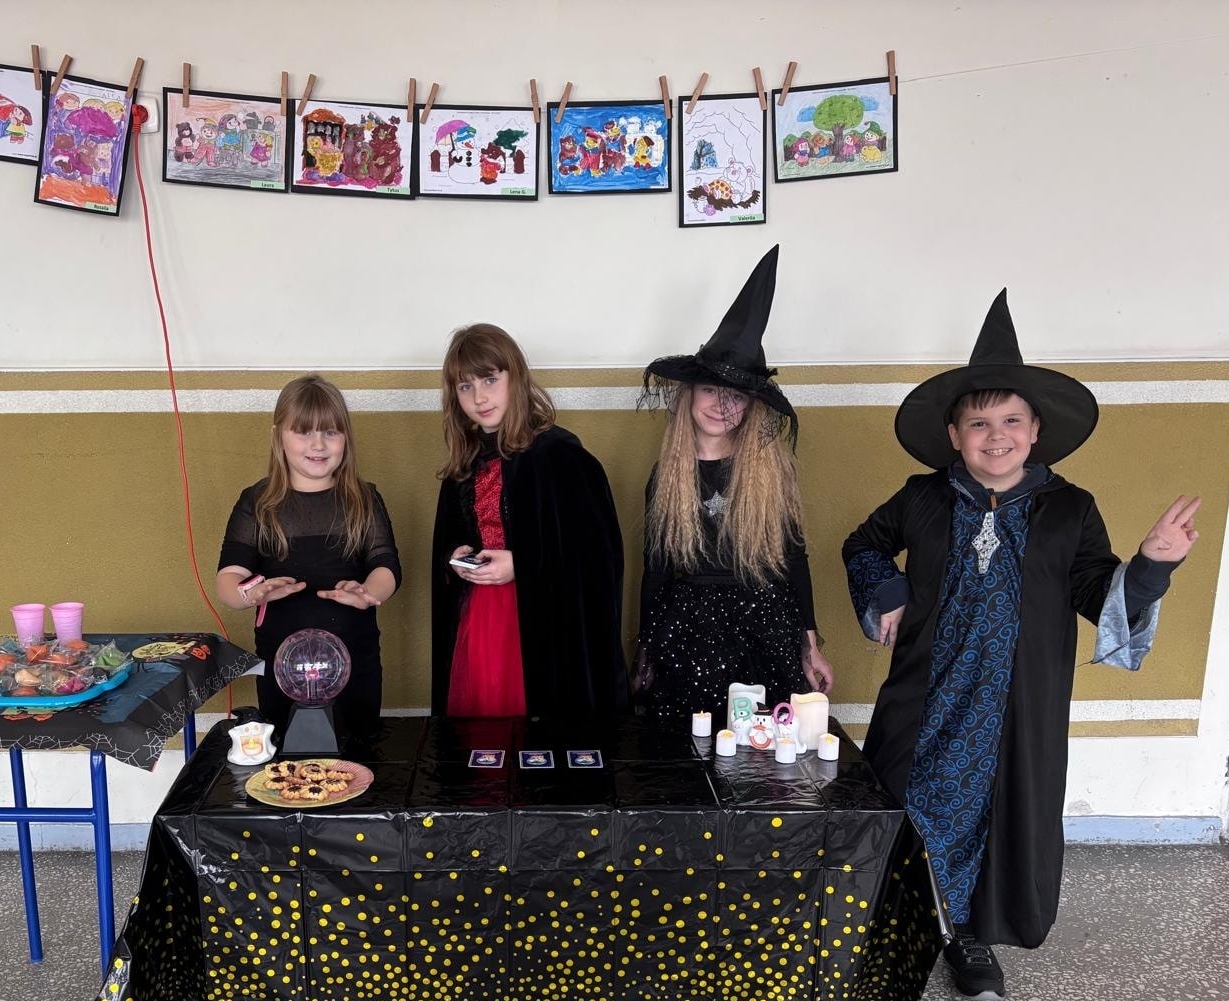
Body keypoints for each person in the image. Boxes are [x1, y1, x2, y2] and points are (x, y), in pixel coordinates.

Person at [842, 289, 1200, 1001]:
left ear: (1036, 431)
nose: (995, 436)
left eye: (1011, 421)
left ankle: (970, 937)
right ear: (954, 434)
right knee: (907, 804)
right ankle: (892, 929)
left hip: (1015, 705)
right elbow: (864, 544)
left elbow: (1098, 591)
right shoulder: (921, 497)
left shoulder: (1070, 509)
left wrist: (1151, 566)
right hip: (928, 696)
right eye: (978, 423)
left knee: (996, 816)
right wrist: (888, 591)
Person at [636, 246, 833, 725]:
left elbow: (794, 558)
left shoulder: (773, 472)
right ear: (690, 394)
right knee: (688, 741)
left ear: (751, 407)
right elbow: (656, 569)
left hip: (764, 622)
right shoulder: (666, 476)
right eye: (710, 390)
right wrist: (644, 647)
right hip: (687, 629)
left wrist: (810, 644)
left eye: (736, 397)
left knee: (760, 744)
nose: (721, 406)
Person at [430, 323, 628, 719]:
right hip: (479, 617)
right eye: (465, 386)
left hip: (538, 621)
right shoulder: (465, 465)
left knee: (531, 728)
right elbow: (452, 537)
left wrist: (523, 564)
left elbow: (596, 556)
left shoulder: (561, 456)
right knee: (484, 724)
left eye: (490, 379)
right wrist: (457, 556)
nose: (479, 397)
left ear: (515, 377)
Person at [217, 375, 401, 737]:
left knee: (357, 751)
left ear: (346, 437)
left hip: (355, 661)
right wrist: (250, 594)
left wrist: (368, 593)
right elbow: (227, 580)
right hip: (281, 666)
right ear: (278, 436)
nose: (318, 444)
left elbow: (387, 567)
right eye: (303, 432)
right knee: (288, 758)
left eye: (331, 432)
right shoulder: (257, 502)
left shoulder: (364, 499)